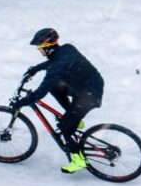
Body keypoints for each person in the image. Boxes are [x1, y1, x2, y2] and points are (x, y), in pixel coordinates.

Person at [10, 28, 104, 173]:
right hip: (88, 86)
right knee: (55, 87)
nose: (38, 51)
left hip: (89, 95)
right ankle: (75, 120)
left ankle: (79, 160)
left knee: (65, 127)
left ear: (47, 48)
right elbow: (56, 62)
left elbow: (41, 91)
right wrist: (36, 69)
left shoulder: (56, 66)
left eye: (39, 48)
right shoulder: (67, 49)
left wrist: (22, 102)